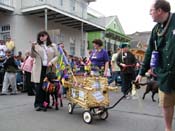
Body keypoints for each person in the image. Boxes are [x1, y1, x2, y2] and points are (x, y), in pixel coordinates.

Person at [135, 1, 175, 131]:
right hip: (164, 75)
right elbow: (149, 52)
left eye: (151, 10)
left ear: (159, 11)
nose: (149, 13)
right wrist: (141, 73)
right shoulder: (156, 30)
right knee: (166, 104)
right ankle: (168, 129)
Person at [31, 31, 59, 111]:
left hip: (49, 68)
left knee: (47, 86)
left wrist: (51, 62)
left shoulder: (53, 46)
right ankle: (38, 104)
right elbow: (32, 55)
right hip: (39, 69)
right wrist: (32, 47)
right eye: (40, 36)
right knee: (40, 87)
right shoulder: (36, 45)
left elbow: (57, 56)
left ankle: (46, 103)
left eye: (43, 35)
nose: (41, 37)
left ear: (47, 36)